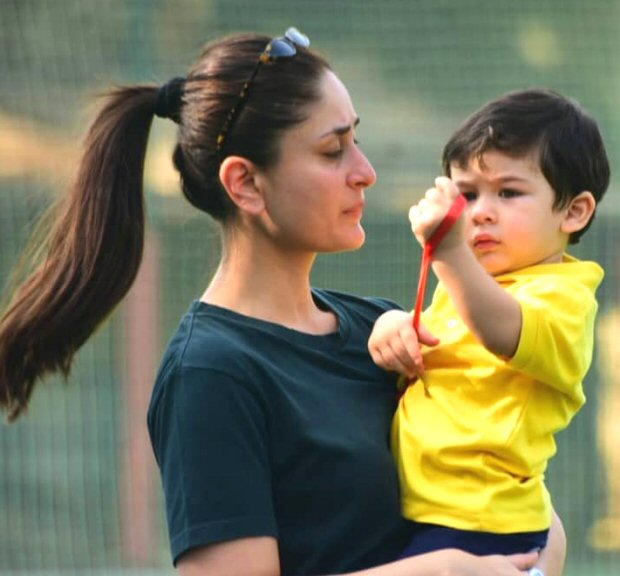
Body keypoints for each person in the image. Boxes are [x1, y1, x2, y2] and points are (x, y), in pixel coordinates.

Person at [0, 28, 566, 576]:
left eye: (356, 140)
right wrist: (437, 571)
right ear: (245, 183)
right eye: (332, 151)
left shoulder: (382, 329)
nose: (365, 173)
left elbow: (516, 495)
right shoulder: (211, 373)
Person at [368, 89, 609, 559]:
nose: (480, 211)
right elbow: (437, 356)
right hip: (423, 513)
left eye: (509, 192)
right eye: (468, 194)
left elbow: (503, 333)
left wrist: (450, 252)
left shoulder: (564, 296)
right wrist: (394, 327)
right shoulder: (467, 285)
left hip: (481, 526)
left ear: (574, 211)